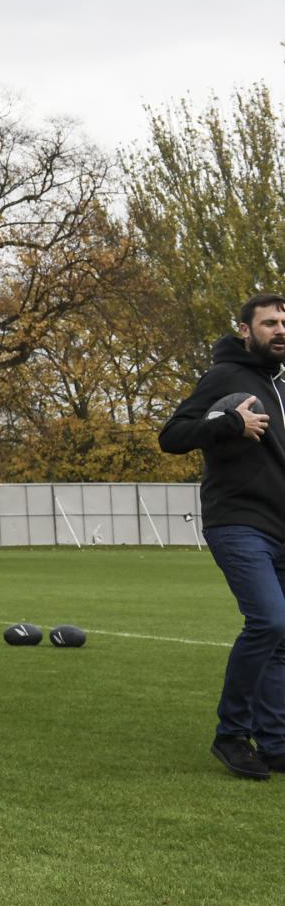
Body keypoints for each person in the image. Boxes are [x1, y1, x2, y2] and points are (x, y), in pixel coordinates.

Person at [158, 292, 285, 780]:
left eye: (283, 323)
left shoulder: (278, 384)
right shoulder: (226, 377)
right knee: (269, 623)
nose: (279, 330)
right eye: (269, 322)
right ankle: (231, 735)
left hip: (281, 526)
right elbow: (172, 435)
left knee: (282, 639)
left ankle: (275, 743)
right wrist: (231, 421)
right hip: (238, 521)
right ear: (245, 331)